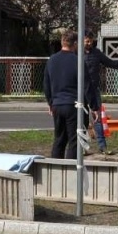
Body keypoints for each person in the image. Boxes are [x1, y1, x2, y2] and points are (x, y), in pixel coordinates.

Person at [82, 35, 118, 154]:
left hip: (94, 90)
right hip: (80, 91)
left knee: (97, 118)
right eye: (86, 41)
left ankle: (102, 147)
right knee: (81, 119)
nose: (88, 43)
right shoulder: (76, 54)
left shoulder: (96, 53)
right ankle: (82, 148)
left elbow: (110, 63)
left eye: (90, 41)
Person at [43, 30, 80, 159]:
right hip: (73, 104)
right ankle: (70, 168)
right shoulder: (77, 61)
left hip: (57, 104)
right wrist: (94, 106)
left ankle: (55, 166)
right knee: (74, 140)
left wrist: (50, 103)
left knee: (59, 138)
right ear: (75, 43)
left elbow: (46, 85)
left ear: (61, 42)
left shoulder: (51, 60)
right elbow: (86, 85)